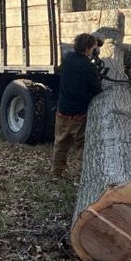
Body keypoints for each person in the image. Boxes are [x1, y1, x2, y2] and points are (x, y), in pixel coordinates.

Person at [52, 33, 103, 178]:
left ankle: (57, 173)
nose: (95, 50)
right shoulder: (88, 67)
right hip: (79, 115)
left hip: (62, 110)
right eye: (93, 47)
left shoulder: (67, 58)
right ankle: (78, 176)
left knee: (60, 144)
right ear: (88, 48)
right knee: (81, 146)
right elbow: (97, 89)